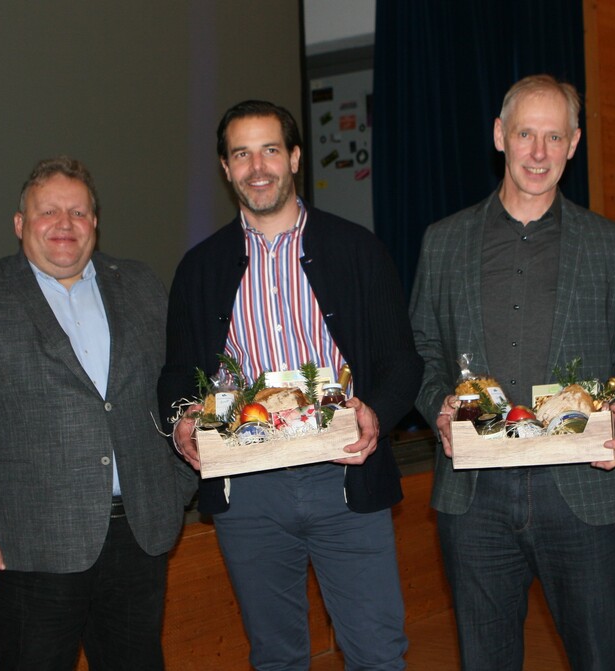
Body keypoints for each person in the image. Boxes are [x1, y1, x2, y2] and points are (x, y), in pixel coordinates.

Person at [158, 100, 422, 670]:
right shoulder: (198, 270)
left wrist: (375, 408)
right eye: (242, 153)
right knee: (276, 658)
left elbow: (404, 361)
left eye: (271, 149)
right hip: (248, 492)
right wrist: (183, 418)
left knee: (377, 652)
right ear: (225, 168)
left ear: (295, 157)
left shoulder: (358, 250)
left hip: (346, 476)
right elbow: (178, 373)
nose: (258, 166)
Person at [409, 74, 615, 670]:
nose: (539, 153)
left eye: (554, 136)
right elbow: (420, 347)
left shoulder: (611, 245)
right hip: (476, 497)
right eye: (526, 134)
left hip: (581, 492)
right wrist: (439, 402)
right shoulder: (442, 243)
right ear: (500, 135)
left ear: (574, 144)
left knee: (600, 657)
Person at [0, 156, 197, 669]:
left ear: (95, 222)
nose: (64, 224)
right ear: (19, 224)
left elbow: (174, 389)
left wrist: (175, 484)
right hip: (28, 547)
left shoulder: (140, 285)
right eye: (48, 211)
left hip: (138, 537)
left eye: (78, 212)